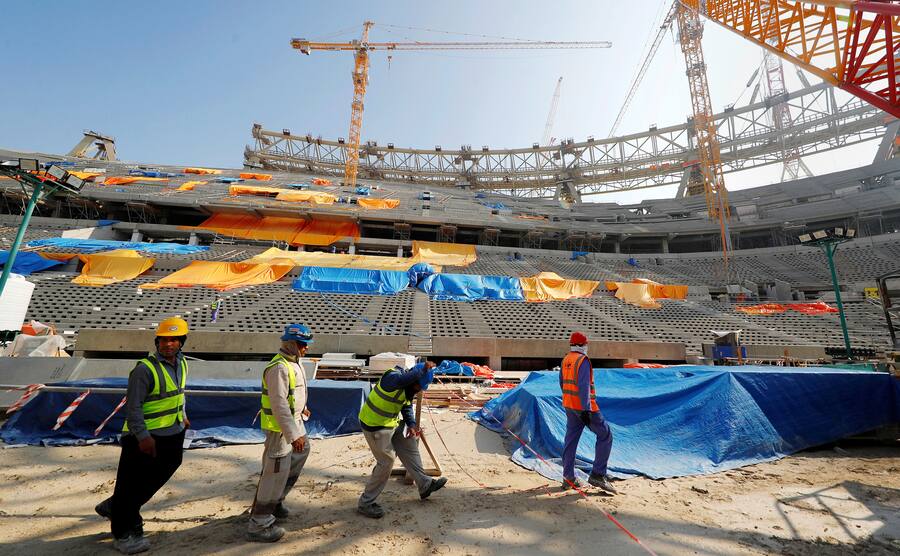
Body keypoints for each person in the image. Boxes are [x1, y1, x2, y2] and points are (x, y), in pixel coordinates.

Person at [95, 317, 191, 554]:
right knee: (130, 485)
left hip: (173, 431)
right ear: (157, 341)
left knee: (167, 467)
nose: (168, 344)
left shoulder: (182, 363)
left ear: (181, 343)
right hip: (145, 437)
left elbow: (177, 393)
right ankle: (123, 533)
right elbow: (133, 408)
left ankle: (116, 506)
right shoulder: (143, 370)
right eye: (164, 340)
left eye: (173, 340)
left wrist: (183, 414)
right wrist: (143, 436)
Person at [247, 324, 314, 542]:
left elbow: (293, 394)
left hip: (295, 421)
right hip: (280, 429)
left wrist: (302, 407)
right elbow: (279, 405)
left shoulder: (294, 362)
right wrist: (294, 436)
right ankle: (259, 523)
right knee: (274, 473)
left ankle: (275, 501)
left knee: (301, 453)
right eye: (303, 345)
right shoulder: (279, 368)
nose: (306, 349)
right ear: (291, 344)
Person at [357, 360, 447, 518]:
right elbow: (399, 381)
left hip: (389, 422)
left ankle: (425, 484)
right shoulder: (392, 377)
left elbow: (405, 405)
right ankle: (366, 503)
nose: (419, 390)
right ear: (413, 379)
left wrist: (411, 424)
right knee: (386, 462)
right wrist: (422, 370)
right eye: (418, 386)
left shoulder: (408, 389)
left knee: (409, 442)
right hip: (374, 425)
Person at [559, 331, 617, 494]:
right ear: (581, 345)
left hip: (570, 406)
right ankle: (598, 474)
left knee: (570, 441)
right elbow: (584, 386)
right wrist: (585, 409)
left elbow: (562, 383)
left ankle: (568, 477)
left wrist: (572, 403)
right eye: (586, 344)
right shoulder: (582, 360)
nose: (587, 347)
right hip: (586, 408)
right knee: (605, 435)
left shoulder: (566, 359)